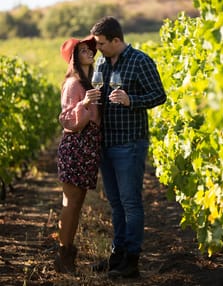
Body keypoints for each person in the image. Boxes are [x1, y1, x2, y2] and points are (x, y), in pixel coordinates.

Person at [90, 16, 166, 279]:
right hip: (106, 143)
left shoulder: (140, 60)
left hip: (130, 143)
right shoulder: (101, 61)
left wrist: (130, 99)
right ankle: (117, 256)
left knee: (131, 203)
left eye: (101, 43)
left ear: (116, 40)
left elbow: (159, 95)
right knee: (116, 203)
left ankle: (132, 262)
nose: (97, 48)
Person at [55, 35, 102, 274]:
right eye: (83, 50)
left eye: (90, 49)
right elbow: (66, 120)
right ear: (74, 57)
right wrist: (83, 103)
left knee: (77, 203)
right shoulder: (73, 84)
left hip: (88, 148)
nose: (90, 52)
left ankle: (67, 255)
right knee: (71, 203)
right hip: (76, 147)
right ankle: (64, 256)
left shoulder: (90, 82)